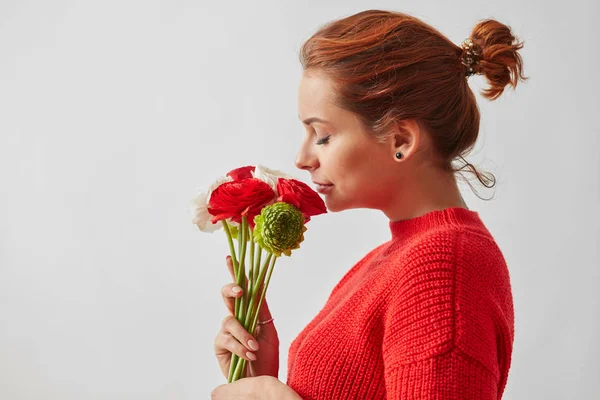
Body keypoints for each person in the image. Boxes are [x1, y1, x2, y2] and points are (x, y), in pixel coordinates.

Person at [212, 9, 527, 400]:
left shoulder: (445, 265)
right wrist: (262, 373)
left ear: (400, 140)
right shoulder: (399, 257)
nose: (303, 158)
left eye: (322, 135)